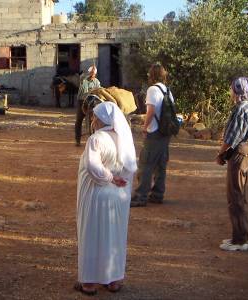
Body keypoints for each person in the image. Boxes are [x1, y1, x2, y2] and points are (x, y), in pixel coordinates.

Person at [75, 102, 137, 296]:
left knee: (92, 235)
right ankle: (113, 280)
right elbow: (130, 168)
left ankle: (89, 283)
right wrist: (120, 180)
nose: (92, 120)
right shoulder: (124, 140)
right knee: (114, 236)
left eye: (94, 117)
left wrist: (110, 177)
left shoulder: (96, 139)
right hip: (117, 196)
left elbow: (93, 167)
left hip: (96, 194)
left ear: (102, 119)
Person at [216, 77, 248, 251]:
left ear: (237, 91)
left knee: (236, 197)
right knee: (237, 196)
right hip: (243, 152)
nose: (230, 91)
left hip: (238, 153)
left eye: (232, 88)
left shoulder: (240, 109)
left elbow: (232, 137)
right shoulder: (247, 107)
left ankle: (240, 241)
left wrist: (220, 153)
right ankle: (238, 237)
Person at [130, 63, 175, 207]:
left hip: (154, 132)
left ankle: (140, 196)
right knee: (161, 164)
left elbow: (150, 111)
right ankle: (157, 194)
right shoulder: (167, 90)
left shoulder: (152, 90)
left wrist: (144, 127)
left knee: (146, 164)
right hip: (165, 132)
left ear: (152, 75)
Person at [75, 65, 101, 146]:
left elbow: (99, 90)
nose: (93, 74)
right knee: (79, 120)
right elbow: (82, 79)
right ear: (89, 73)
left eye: (94, 73)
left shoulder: (97, 82)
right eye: (91, 72)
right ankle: (77, 139)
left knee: (93, 121)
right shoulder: (84, 80)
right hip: (82, 101)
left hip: (92, 102)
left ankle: (92, 140)